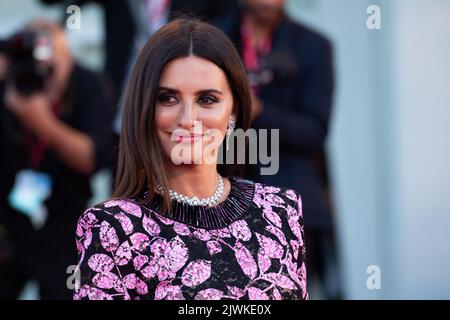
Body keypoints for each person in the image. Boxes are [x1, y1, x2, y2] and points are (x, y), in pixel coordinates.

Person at [73, 18, 308, 300]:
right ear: (144, 109)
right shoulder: (112, 228)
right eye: (168, 98)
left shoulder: (281, 210)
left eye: (207, 99)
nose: (187, 119)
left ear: (233, 111)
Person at [215, 0, 338, 297]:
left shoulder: (313, 45)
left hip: (289, 198)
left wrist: (257, 110)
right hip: (220, 193)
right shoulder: (215, 38)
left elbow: (315, 132)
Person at [0, 20, 114, 299]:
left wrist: (43, 123)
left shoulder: (89, 84)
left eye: (49, 67)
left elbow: (92, 158)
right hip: (8, 223)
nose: (40, 77)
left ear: (67, 56)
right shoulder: (9, 80)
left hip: (64, 224)